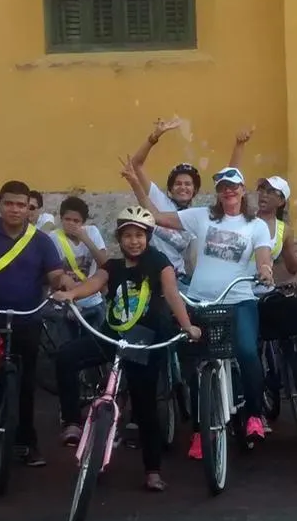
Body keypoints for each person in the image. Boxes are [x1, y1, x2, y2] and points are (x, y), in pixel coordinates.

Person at [52, 206, 202, 491]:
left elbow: (172, 294)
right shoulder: (113, 267)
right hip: (112, 335)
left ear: (147, 238)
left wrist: (187, 326)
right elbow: (93, 284)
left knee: (145, 407)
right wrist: (71, 293)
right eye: (128, 236)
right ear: (119, 239)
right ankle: (72, 422)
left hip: (144, 341)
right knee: (66, 357)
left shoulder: (159, 263)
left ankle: (152, 470)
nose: (134, 241)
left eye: (139, 235)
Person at [131, 163, 274, 454]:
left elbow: (263, 255)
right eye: (222, 187)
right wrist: (136, 183)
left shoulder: (255, 225)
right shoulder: (202, 216)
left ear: (242, 190)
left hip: (239, 299)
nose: (228, 191)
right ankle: (199, 431)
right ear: (218, 193)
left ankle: (254, 415)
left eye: (233, 186)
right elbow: (156, 217)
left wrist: (265, 270)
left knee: (247, 351)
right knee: (197, 367)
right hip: (200, 301)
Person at [0, 180, 66, 468]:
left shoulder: (41, 241)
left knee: (26, 384)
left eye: (21, 205)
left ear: (29, 208)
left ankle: (26, 442)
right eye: (9, 203)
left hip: (26, 318)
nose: (15, 209)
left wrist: (64, 284)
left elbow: (55, 274)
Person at [128, 118, 201, 282]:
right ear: (170, 189)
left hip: (178, 277)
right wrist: (154, 137)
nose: (183, 187)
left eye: (188, 184)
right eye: (178, 184)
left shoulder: (196, 216)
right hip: (150, 275)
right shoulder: (158, 199)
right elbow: (136, 164)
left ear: (195, 190)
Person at [225, 126, 297, 279]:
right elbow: (230, 181)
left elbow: (292, 266)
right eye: (262, 190)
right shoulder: (245, 215)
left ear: (281, 201)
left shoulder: (284, 231)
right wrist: (239, 146)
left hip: (263, 287)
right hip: (235, 285)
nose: (264, 195)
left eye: (271, 192)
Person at [51, 196, 110, 329]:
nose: (71, 224)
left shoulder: (92, 232)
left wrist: (85, 239)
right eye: (67, 219)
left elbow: (105, 264)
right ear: (61, 219)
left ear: (83, 222)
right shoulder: (54, 238)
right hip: (67, 304)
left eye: (76, 221)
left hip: (93, 301)